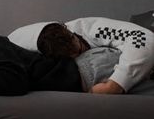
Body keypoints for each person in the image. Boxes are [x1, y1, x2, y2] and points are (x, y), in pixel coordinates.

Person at [8, 17, 154, 94]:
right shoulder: (24, 47)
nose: (82, 54)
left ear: (71, 33)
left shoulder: (95, 29)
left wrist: (115, 84)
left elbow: (143, 37)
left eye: (79, 49)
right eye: (72, 56)